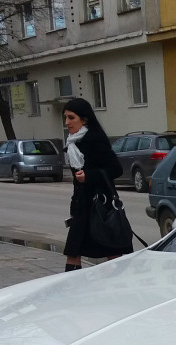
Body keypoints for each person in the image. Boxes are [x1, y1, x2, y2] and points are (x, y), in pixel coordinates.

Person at [61, 97, 131, 271]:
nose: (67, 122)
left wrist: (89, 176)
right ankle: (71, 290)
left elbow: (116, 169)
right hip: (82, 205)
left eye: (71, 118)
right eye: (65, 118)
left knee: (110, 249)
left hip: (100, 205)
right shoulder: (73, 143)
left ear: (84, 119)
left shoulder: (94, 139)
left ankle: (117, 285)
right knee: (73, 251)